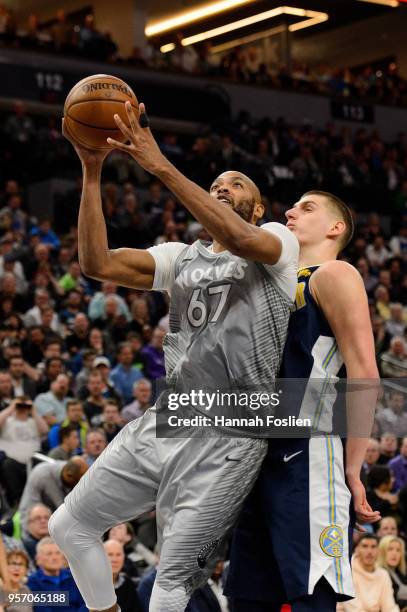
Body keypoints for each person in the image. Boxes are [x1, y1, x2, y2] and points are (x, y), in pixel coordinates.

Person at [48, 102, 299, 612]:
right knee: (68, 525)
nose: (223, 188)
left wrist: (157, 162)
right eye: (216, 186)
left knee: (169, 589)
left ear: (257, 207)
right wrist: (92, 170)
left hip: (233, 427)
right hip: (172, 414)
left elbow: (236, 237)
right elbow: (96, 263)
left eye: (237, 185)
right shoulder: (180, 256)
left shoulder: (278, 241)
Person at [226, 190, 380, 610]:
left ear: (336, 228)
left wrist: (352, 468)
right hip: (257, 451)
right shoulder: (268, 280)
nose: (291, 211)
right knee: (247, 595)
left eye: (307, 208)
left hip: (308, 450)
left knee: (314, 589)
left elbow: (365, 372)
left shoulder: (333, 273)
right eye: (293, 207)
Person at [0, 397, 48, 506]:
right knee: (8, 465)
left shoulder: (33, 422)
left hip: (33, 461)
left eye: (25, 406)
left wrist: (33, 411)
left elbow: (45, 430)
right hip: (13, 463)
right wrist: (11, 407)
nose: (22, 408)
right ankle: (18, 502)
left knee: (42, 464)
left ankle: (40, 501)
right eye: (20, 405)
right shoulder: (7, 421)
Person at [19, 457, 88, 532]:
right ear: (69, 476)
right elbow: (27, 512)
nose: (81, 485)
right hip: (41, 529)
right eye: (78, 482)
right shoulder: (40, 475)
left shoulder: (75, 472)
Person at [338, 534, 399, 612]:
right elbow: (354, 610)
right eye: (365, 546)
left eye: (373, 547)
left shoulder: (383, 574)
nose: (369, 551)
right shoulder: (347, 573)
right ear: (357, 549)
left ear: (379, 551)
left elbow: (389, 607)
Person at [27, 537, 87, 612]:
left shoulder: (74, 576)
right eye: (49, 554)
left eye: (58, 553)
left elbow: (84, 603)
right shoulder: (33, 582)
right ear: (38, 559)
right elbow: (41, 608)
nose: (55, 558)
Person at [104, 539, 143, 612]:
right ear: (101, 557)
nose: (115, 559)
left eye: (118, 554)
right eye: (110, 555)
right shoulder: (90, 586)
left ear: (124, 558)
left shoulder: (128, 583)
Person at [378, 535, 407, 610]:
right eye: (390, 549)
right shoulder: (379, 574)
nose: (394, 553)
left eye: (398, 550)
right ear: (382, 552)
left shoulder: (401, 573)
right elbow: (389, 601)